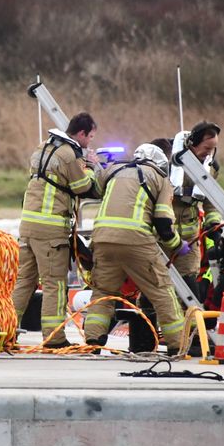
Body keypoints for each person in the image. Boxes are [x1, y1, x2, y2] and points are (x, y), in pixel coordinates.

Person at [83, 143, 188, 354]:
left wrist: (94, 164)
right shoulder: (161, 179)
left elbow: (95, 186)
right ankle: (178, 344)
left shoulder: (115, 170)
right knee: (162, 291)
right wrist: (177, 245)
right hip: (136, 241)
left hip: (102, 239)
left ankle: (93, 340)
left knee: (102, 291)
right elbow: (164, 225)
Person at [12, 112, 101, 348]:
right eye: (90, 137)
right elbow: (83, 186)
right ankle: (54, 337)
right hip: (50, 230)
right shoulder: (69, 154)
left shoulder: (42, 147)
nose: (90, 142)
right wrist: (91, 166)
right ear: (81, 133)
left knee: (25, 281)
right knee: (54, 283)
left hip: (28, 226)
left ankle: (6, 330)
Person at [168, 121, 224, 284]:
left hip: (189, 238)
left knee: (190, 279)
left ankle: (189, 309)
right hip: (164, 233)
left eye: (212, 149)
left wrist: (213, 222)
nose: (209, 154)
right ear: (192, 143)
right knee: (156, 281)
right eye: (206, 148)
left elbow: (210, 200)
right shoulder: (170, 164)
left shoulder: (210, 168)